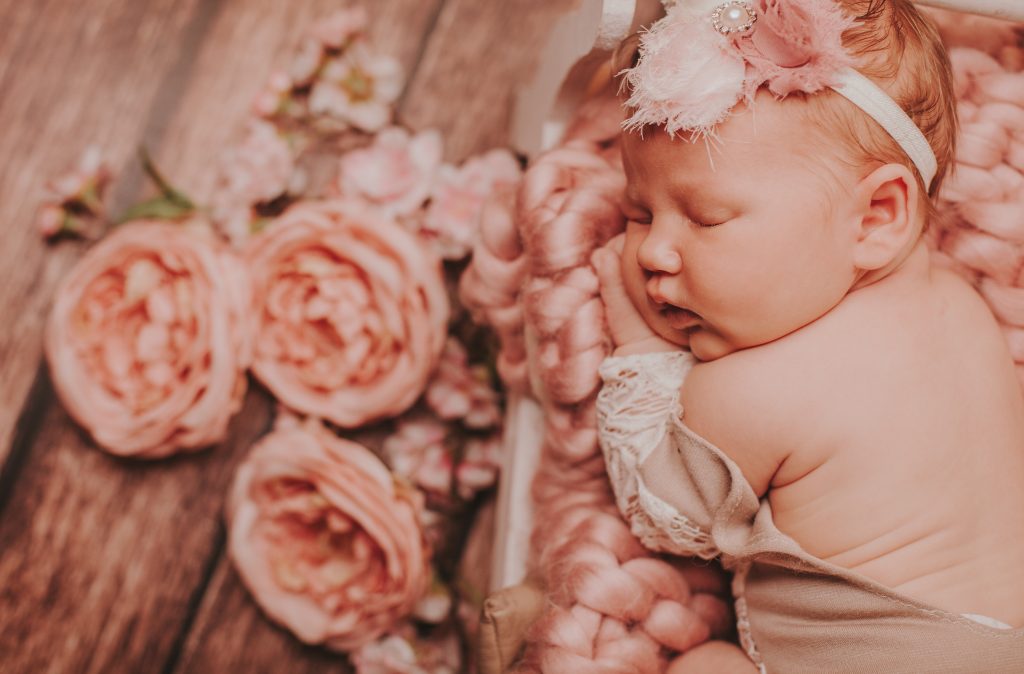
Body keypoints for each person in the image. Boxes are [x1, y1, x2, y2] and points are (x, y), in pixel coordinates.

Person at [591, 0, 1024, 671]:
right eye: (639, 213)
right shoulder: (965, 310)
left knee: (704, 666)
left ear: (877, 216)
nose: (653, 252)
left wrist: (635, 343)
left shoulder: (753, 387)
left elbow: (664, 516)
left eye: (705, 219)